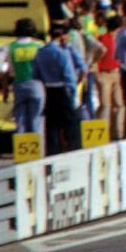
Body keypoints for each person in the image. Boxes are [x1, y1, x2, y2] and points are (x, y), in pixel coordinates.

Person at [33, 24, 84, 155]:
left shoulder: (41, 52)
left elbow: (35, 74)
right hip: (63, 89)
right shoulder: (61, 53)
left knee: (51, 125)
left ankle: (52, 152)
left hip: (49, 89)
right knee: (71, 123)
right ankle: (74, 150)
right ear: (62, 36)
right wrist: (73, 96)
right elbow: (69, 77)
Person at [0, 18, 45, 137]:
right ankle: (37, 150)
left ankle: (21, 149)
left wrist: (4, 76)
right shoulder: (38, 46)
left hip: (19, 85)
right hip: (37, 85)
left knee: (20, 120)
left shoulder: (10, 47)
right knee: (36, 120)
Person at [94, 14, 124, 138]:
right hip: (104, 74)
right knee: (105, 105)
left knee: (118, 103)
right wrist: (97, 73)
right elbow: (97, 55)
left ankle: (116, 132)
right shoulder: (103, 38)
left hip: (116, 72)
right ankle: (99, 133)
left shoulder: (119, 39)